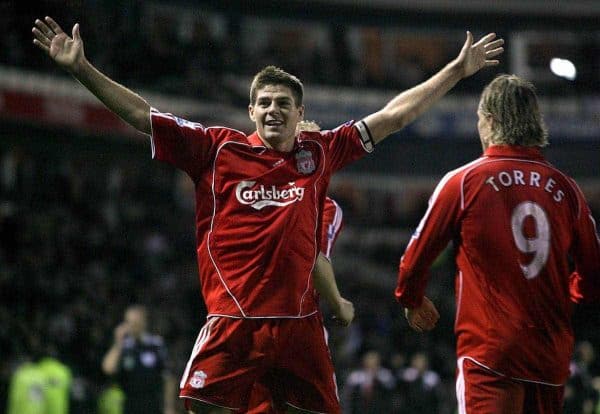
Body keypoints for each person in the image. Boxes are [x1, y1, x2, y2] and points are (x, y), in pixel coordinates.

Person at [32, 16, 503, 413]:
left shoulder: (320, 152)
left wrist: (456, 72)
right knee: (201, 409)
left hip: (299, 329)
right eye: (265, 103)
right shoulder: (217, 149)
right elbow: (142, 115)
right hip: (234, 321)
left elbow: (394, 115)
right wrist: (82, 70)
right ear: (250, 110)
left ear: (300, 113)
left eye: (283, 104)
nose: (273, 110)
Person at [395, 74, 600, 414]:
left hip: (490, 354)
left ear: (489, 121)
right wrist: (569, 298)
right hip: (549, 355)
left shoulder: (463, 182)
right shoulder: (567, 190)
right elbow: (593, 273)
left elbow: (416, 258)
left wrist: (411, 298)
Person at [246, 194, 353, 414]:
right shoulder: (326, 206)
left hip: (246, 320)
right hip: (297, 326)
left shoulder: (247, 196)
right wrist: (339, 304)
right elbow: (314, 259)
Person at [101, 305, 177, 414]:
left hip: (153, 405)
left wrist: (169, 407)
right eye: (129, 322)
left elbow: (168, 377)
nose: (133, 325)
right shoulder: (123, 347)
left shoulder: (156, 345)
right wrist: (118, 343)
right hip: (129, 406)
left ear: (144, 322)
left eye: (136, 322)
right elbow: (108, 369)